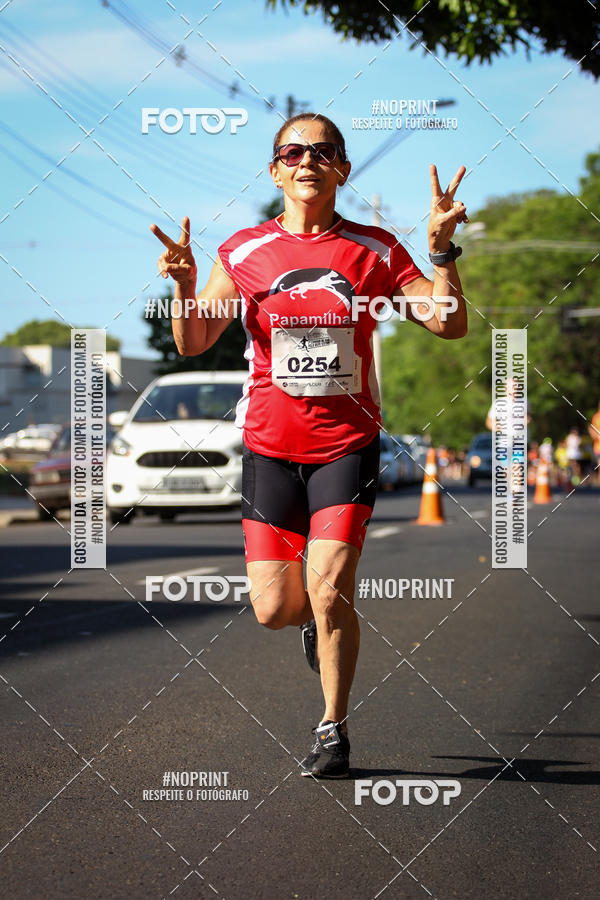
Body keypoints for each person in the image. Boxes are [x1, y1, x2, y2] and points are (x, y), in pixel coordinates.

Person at [150, 113, 468, 778]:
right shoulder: (241, 251)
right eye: (292, 151)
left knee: (329, 592)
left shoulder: (376, 251)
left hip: (346, 446)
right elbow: (192, 342)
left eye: (323, 152)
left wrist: (441, 254)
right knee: (275, 608)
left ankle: (332, 727)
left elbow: (448, 323)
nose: (307, 161)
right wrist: (182, 287)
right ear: (275, 170)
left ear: (342, 169)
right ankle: (310, 631)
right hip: (269, 446)